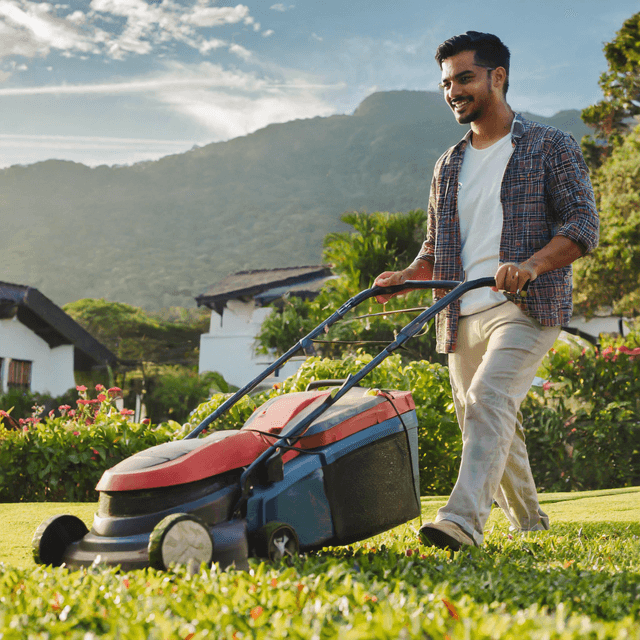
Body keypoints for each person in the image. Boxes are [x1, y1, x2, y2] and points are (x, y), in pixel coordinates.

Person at [374, 31, 599, 551]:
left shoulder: (550, 145)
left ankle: (461, 521)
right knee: (491, 416)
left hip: (526, 306)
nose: (453, 90)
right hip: (459, 313)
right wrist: (407, 275)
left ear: (498, 77)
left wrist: (531, 264)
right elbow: (434, 245)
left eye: (465, 77)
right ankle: (531, 525)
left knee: (489, 400)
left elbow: (583, 224)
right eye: (446, 82)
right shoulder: (448, 165)